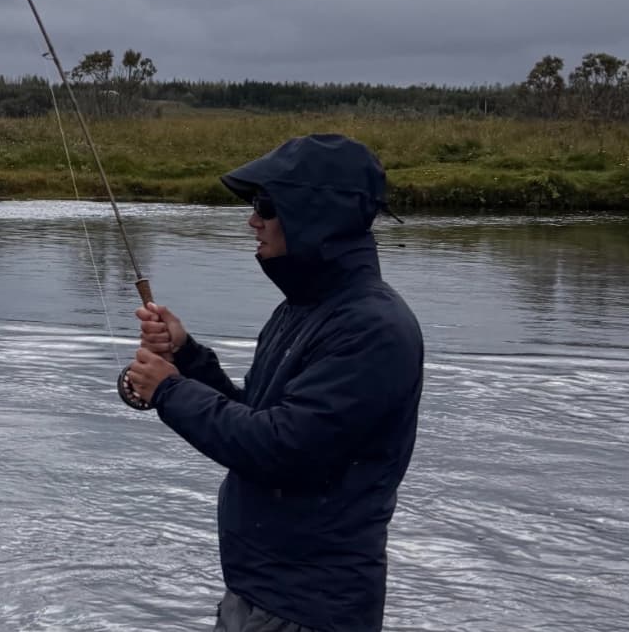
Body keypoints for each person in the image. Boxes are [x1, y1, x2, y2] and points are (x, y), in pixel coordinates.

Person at [124, 133, 424, 632]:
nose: (253, 220)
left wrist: (169, 390)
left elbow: (280, 448)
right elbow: (259, 417)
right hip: (256, 592)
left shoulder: (374, 328)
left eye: (266, 205)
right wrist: (188, 357)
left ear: (315, 214)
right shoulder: (302, 310)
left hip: (310, 608)